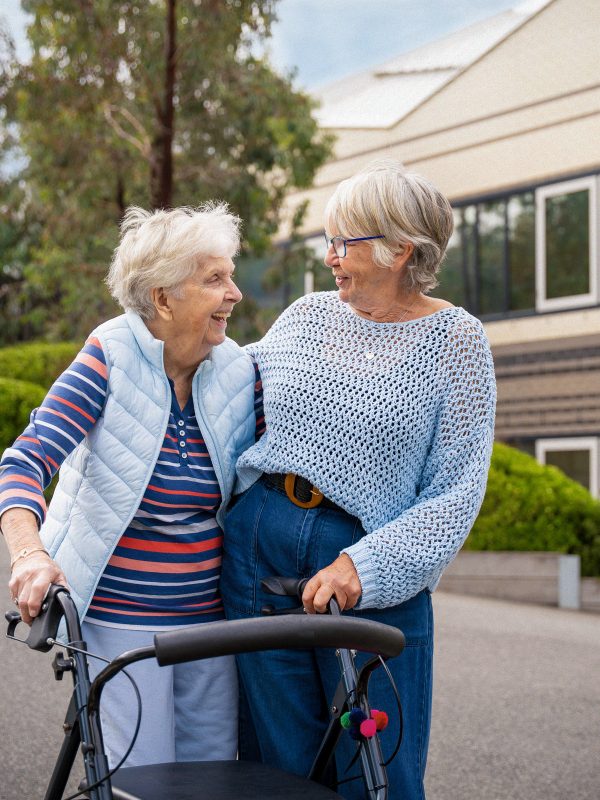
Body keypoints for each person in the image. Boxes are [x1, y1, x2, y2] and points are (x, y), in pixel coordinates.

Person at [221, 159, 496, 799]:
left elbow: (455, 493)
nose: (331, 257)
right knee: (278, 765)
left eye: (345, 242)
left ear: (401, 249)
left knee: (378, 775)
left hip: (367, 566)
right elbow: (227, 390)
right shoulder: (307, 316)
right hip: (260, 543)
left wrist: (363, 568)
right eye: (330, 241)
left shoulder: (456, 342)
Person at [0, 203, 264, 768]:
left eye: (231, 275)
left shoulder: (240, 372)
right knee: (137, 775)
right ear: (164, 298)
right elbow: (25, 460)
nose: (234, 293)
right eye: (215, 279)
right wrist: (28, 554)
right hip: (119, 618)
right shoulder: (110, 355)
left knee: (211, 774)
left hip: (210, 622)